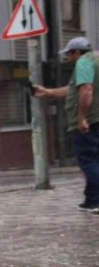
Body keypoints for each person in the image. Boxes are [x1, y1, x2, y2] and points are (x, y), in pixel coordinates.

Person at [34, 37, 99, 213]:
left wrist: (81, 118)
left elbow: (86, 89)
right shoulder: (96, 60)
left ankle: (97, 201)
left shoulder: (84, 62)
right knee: (95, 161)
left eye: (69, 55)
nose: (67, 58)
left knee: (89, 161)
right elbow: (74, 89)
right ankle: (91, 200)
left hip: (91, 122)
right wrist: (48, 92)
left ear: (77, 53)